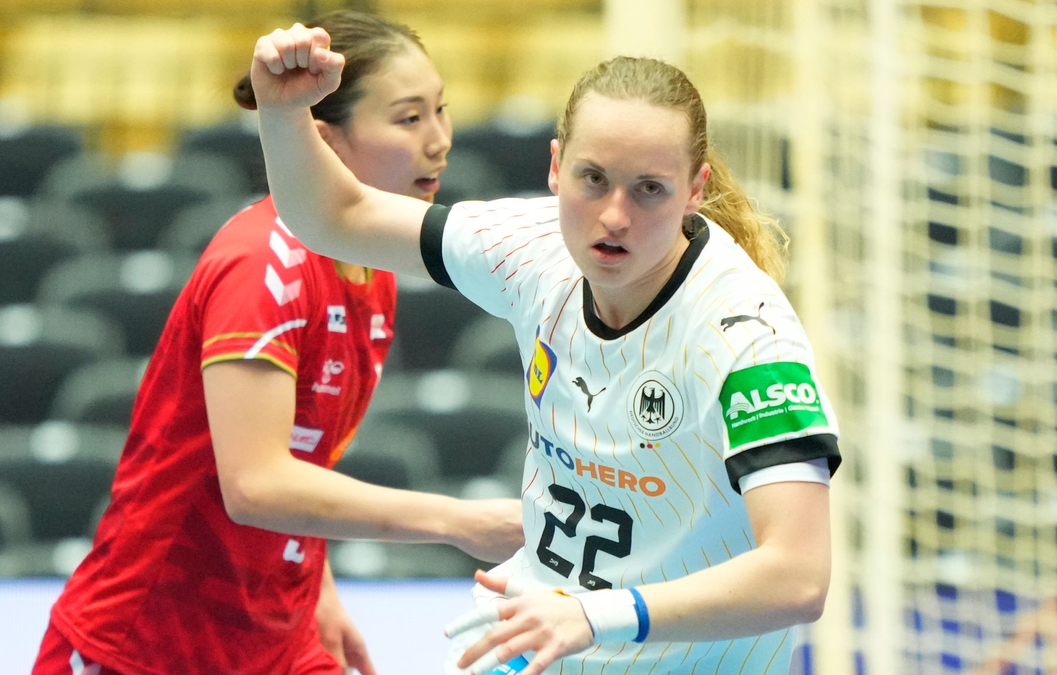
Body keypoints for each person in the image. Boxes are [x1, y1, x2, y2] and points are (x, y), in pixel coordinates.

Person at [249, 23, 842, 675]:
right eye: (593, 179)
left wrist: (597, 612)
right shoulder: (531, 248)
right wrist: (282, 114)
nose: (614, 215)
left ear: (694, 189)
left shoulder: (747, 336)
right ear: (556, 167)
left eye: (649, 189)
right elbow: (337, 217)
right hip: (541, 641)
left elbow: (799, 575)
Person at [31, 11, 522, 675]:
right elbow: (256, 483)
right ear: (323, 140)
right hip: (146, 646)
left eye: (441, 111)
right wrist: (459, 520)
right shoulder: (263, 266)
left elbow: (305, 453)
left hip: (274, 634)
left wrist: (316, 589)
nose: (439, 142)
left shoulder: (373, 265)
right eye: (408, 119)